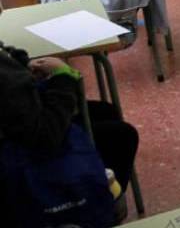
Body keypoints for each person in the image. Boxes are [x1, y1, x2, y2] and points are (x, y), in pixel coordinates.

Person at [0, 41, 139, 222]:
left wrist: (21, 62)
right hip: (23, 154)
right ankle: (91, 210)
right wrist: (64, 77)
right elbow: (46, 136)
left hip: (23, 124)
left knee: (105, 111)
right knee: (122, 136)